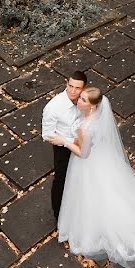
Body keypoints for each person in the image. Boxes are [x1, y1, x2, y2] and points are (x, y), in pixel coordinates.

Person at [49, 87, 135, 268]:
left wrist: (64, 141)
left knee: (92, 193)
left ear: (91, 106)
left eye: (82, 100)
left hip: (88, 163)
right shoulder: (96, 117)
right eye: (80, 98)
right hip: (103, 158)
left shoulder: (85, 127)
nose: (78, 101)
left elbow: (83, 153)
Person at [41, 71, 87, 222]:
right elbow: (47, 135)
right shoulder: (53, 107)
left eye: (77, 88)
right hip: (63, 148)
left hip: (82, 143)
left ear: (84, 88)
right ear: (66, 83)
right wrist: (69, 141)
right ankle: (58, 214)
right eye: (70, 86)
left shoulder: (85, 100)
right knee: (61, 180)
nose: (73, 91)